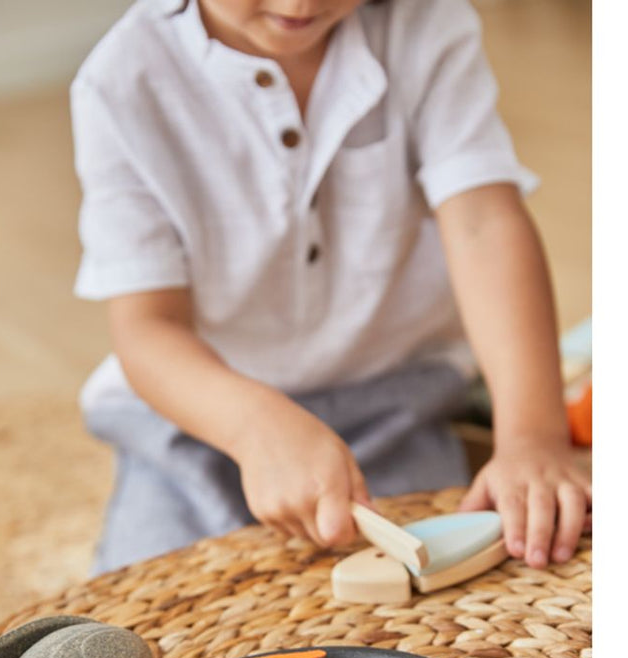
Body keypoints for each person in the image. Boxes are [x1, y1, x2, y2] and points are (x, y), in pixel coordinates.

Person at [70, 0, 591, 575]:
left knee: (433, 595)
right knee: (153, 607)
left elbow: (483, 224)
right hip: (196, 423)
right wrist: (255, 427)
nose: (301, 4)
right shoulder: (120, 85)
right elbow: (148, 328)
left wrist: (532, 436)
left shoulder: (427, 24)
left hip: (395, 401)